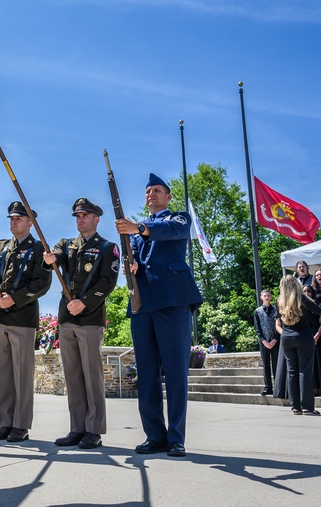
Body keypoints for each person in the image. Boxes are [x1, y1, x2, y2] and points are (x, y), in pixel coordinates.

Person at [114, 173, 203, 458]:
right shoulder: (137, 232)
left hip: (173, 301)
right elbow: (134, 257)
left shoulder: (177, 219)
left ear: (168, 196)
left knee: (176, 372)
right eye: (147, 191)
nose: (151, 194)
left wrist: (138, 227)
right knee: (147, 373)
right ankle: (155, 435)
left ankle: (176, 437)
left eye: (156, 190)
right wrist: (132, 265)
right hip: (143, 303)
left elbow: (169, 233)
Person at [43, 198, 119, 450]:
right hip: (66, 320)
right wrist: (49, 258)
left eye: (86, 215)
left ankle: (94, 430)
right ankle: (77, 428)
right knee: (73, 376)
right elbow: (55, 257)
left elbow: (108, 282)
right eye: (77, 215)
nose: (80, 219)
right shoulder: (67, 245)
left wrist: (84, 303)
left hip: (89, 319)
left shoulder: (108, 248)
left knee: (91, 376)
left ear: (97, 219)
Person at [0, 201, 52, 443]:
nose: (14, 221)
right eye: (11, 218)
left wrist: (16, 299)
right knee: (3, 374)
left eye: (19, 219)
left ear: (30, 222)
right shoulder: (0, 246)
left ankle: (20, 425)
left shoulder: (39, 247)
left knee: (22, 374)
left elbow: (42, 284)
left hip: (22, 317)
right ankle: (5, 423)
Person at [277, 275, 321, 415]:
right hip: (303, 337)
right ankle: (307, 407)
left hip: (286, 338)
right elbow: (320, 311)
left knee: (292, 373)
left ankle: (295, 407)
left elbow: (278, 320)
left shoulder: (279, 301)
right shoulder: (302, 299)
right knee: (305, 372)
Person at [253, 289, 279, 396]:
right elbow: (257, 328)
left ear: (271, 297)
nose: (267, 297)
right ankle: (268, 387)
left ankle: (278, 386)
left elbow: (279, 325)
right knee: (266, 365)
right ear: (261, 297)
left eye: (269, 295)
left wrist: (275, 339)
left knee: (276, 364)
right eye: (265, 295)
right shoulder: (257, 312)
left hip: (275, 341)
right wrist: (263, 340)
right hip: (264, 342)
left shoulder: (276, 310)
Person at [303, 285, 321, 396]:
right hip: (305, 336)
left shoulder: (316, 305)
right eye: (304, 291)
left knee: (320, 362)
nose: (307, 293)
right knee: (309, 364)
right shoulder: (300, 307)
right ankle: (312, 388)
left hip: (317, 335)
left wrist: (317, 336)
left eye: (309, 291)